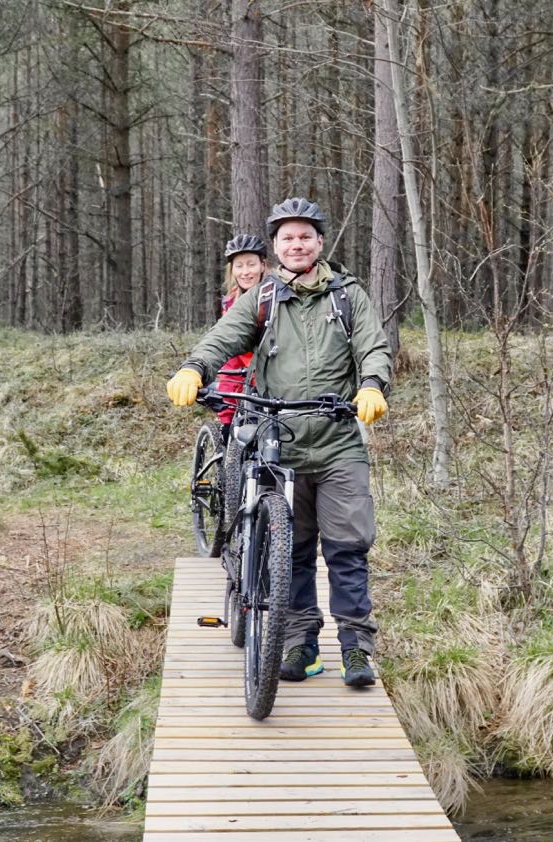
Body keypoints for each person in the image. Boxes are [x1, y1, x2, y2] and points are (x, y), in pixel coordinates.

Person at [166, 198, 392, 687]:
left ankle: (356, 649)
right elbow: (224, 335)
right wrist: (193, 366)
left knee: (348, 549)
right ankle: (300, 644)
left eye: (305, 236)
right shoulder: (263, 296)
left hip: (336, 442)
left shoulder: (347, 296)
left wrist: (372, 384)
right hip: (280, 440)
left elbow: (373, 346)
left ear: (319, 243)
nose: (297, 244)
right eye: (288, 237)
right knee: (291, 550)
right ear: (276, 246)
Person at [214, 234, 267, 432]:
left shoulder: (280, 297)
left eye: (251, 264)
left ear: (263, 265)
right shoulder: (230, 304)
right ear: (232, 270)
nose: (245, 272)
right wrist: (226, 414)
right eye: (239, 266)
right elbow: (231, 357)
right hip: (245, 381)